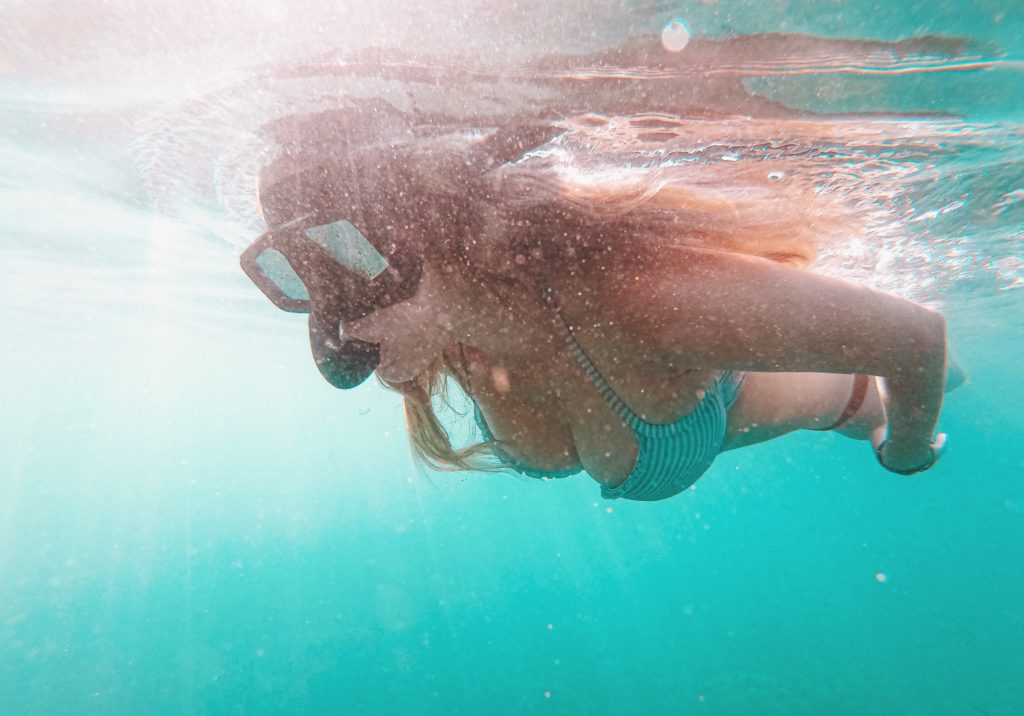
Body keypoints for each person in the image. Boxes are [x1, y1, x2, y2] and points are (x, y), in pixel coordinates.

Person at [240, 102, 952, 502]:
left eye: (350, 263)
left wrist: (908, 452)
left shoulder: (633, 302)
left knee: (901, 393)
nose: (337, 335)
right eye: (304, 281)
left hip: (846, 398)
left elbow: (914, 337)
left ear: (426, 229)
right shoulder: (439, 325)